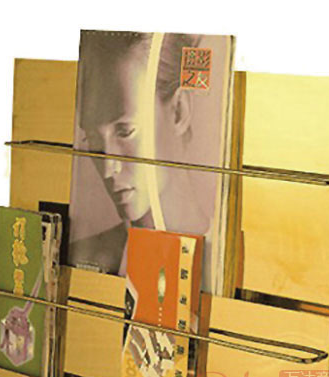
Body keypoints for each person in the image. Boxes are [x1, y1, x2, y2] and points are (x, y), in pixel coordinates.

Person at [69, 32, 219, 290]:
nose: (108, 168)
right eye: (92, 137)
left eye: (125, 131)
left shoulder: (225, 266)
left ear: (179, 111)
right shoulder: (86, 260)